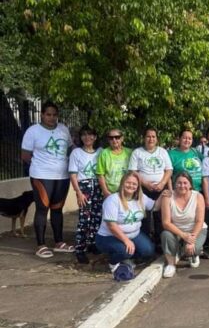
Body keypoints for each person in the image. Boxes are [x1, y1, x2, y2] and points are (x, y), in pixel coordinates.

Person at [21, 101, 74, 258]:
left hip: (62, 176)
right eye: (48, 114)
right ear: (42, 115)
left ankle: (59, 242)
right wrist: (42, 166)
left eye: (54, 115)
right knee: (42, 208)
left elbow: (70, 149)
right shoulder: (33, 131)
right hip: (41, 176)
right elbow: (25, 156)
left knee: (57, 209)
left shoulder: (63, 129)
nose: (51, 118)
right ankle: (41, 245)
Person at [95, 171, 160, 274]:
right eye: (128, 183)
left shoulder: (141, 198)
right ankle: (113, 262)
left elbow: (155, 206)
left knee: (148, 251)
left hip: (134, 235)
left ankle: (126, 256)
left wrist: (164, 196)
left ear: (138, 186)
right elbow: (111, 226)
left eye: (134, 184)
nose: (131, 186)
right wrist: (126, 241)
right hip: (109, 236)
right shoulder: (112, 200)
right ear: (122, 183)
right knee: (125, 251)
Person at [128, 127, 172, 242]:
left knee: (160, 215)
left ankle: (159, 241)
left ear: (157, 139)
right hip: (143, 189)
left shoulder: (163, 152)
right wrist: (145, 183)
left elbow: (169, 170)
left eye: (153, 136)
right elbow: (133, 171)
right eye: (148, 136)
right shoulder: (137, 152)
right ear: (144, 138)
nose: (151, 139)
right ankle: (146, 241)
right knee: (144, 216)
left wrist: (162, 183)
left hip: (161, 188)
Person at [161, 171, 208, 277]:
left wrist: (191, 239)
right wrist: (183, 236)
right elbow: (166, 223)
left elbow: (199, 221)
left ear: (190, 184)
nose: (182, 186)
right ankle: (171, 264)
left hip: (195, 229)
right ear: (174, 184)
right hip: (176, 230)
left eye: (185, 183)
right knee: (165, 234)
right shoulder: (167, 197)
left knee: (193, 248)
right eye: (179, 183)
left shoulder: (198, 196)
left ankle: (193, 253)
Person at [68, 125, 103, 264]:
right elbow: (73, 174)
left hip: (98, 187)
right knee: (85, 219)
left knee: (96, 218)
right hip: (84, 187)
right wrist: (79, 192)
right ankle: (80, 249)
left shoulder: (100, 152)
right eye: (84, 135)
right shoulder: (76, 153)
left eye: (90, 135)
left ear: (95, 137)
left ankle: (92, 243)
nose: (87, 138)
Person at [96, 128, 132, 198]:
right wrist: (105, 191)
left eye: (117, 137)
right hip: (111, 193)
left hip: (128, 191)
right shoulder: (104, 153)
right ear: (108, 140)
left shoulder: (130, 153)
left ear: (122, 138)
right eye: (111, 138)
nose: (114, 140)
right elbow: (100, 174)